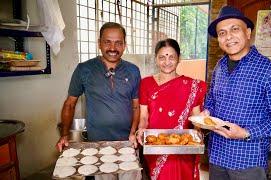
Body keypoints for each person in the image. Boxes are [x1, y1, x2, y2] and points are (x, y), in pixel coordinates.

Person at [205, 6, 271, 180]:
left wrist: (246, 133)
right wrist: (206, 112)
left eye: (234, 29)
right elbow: (211, 101)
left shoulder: (270, 71)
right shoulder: (219, 67)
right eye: (222, 33)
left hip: (248, 162)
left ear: (248, 32)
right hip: (217, 156)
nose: (228, 37)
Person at [56, 22, 141, 179]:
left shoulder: (133, 71)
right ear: (99, 44)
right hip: (97, 145)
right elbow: (70, 103)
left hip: (127, 144)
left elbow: (136, 107)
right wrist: (64, 135)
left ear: (125, 45)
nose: (113, 48)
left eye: (118, 43)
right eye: (107, 42)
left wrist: (133, 133)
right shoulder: (84, 69)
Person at [136, 38, 206, 180]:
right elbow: (143, 116)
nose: (166, 62)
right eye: (162, 57)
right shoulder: (146, 83)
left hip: (183, 147)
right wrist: (141, 129)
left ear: (179, 58)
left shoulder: (191, 85)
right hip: (155, 145)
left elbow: (197, 117)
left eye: (171, 57)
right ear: (156, 59)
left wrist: (198, 132)